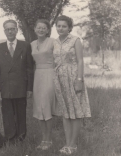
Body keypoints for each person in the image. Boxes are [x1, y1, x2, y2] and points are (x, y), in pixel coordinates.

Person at [53, 15, 91, 155]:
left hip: (73, 77)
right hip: (60, 80)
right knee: (66, 112)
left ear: (69, 28)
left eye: (64, 26)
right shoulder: (55, 42)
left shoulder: (76, 40)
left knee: (76, 111)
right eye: (58, 26)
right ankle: (67, 144)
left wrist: (79, 80)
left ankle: (73, 145)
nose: (61, 28)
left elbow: (80, 61)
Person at [0, 19, 34, 143]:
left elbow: (29, 68)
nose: (10, 31)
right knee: (7, 114)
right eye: (7, 29)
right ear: (4, 31)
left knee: (21, 114)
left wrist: (29, 88)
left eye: (12, 28)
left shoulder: (25, 45)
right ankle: (10, 139)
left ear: (17, 30)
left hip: (21, 86)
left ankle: (21, 139)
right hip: (5, 87)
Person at [30, 19, 56, 150]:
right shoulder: (32, 44)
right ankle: (43, 139)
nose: (41, 30)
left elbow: (59, 59)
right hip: (38, 76)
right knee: (38, 107)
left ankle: (49, 140)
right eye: (38, 27)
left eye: (44, 28)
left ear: (48, 30)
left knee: (46, 106)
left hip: (50, 74)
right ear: (35, 29)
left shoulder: (53, 42)